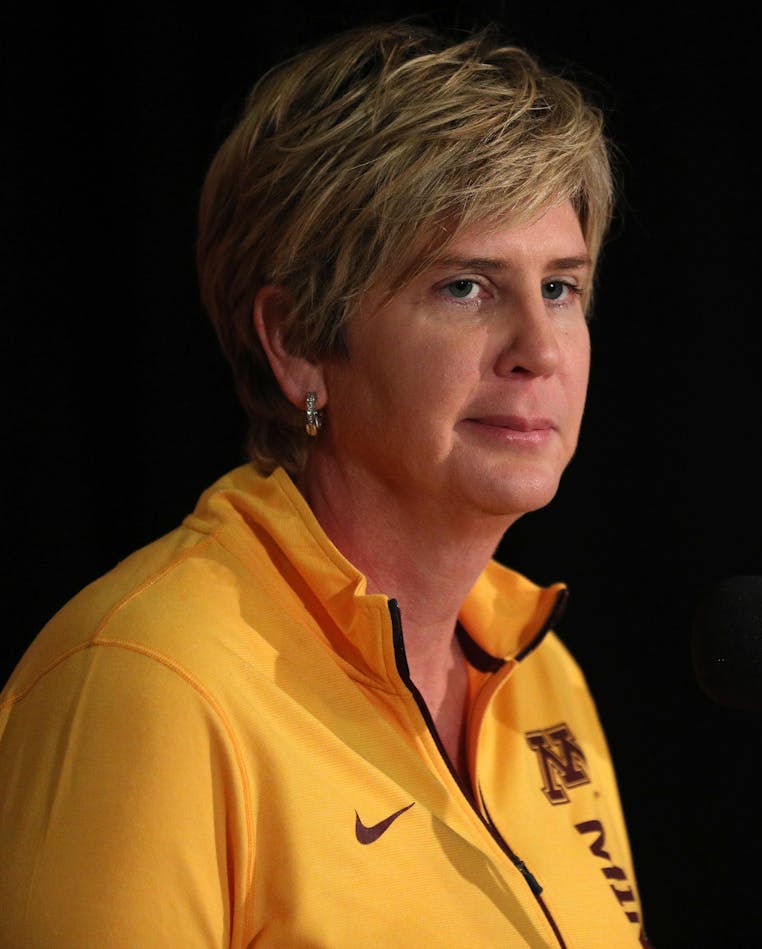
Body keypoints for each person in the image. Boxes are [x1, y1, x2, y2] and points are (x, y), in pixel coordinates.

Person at [0, 20, 649, 947]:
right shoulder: (149, 682)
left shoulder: (543, 676)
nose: (539, 350)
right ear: (299, 342)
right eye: (465, 287)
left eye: (561, 288)